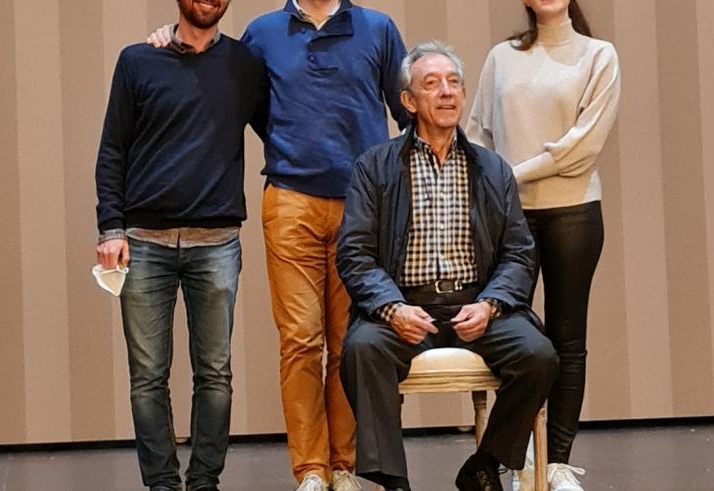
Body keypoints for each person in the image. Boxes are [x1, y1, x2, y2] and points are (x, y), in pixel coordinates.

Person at [148, 2, 408, 490]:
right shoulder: (263, 33)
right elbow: (231, 89)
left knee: (350, 343)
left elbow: (406, 109)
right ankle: (310, 470)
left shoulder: (378, 28)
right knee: (301, 342)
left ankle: (344, 466)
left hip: (363, 207)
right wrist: (170, 36)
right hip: (290, 201)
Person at [337, 41, 559, 491]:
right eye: (432, 84)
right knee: (362, 350)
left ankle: (485, 462)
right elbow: (354, 252)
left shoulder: (493, 169)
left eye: (454, 82)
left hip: (475, 305)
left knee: (538, 356)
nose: (446, 93)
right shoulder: (375, 167)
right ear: (408, 100)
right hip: (404, 306)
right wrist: (392, 308)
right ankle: (394, 481)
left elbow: (519, 251)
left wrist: (492, 305)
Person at [95, 0, 268, 489]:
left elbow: (283, 127)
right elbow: (112, 148)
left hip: (216, 241)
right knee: (148, 376)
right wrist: (110, 228)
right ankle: (163, 484)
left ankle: (204, 482)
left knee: (215, 373)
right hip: (142, 241)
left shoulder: (244, 64)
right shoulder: (138, 60)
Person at [466, 1, 621, 490]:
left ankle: (555, 464)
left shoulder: (599, 56)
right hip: (509, 218)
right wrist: (494, 189)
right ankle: (520, 457)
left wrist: (510, 175)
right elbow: (477, 136)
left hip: (574, 212)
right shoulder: (502, 58)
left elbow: (584, 146)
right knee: (514, 340)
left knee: (567, 339)